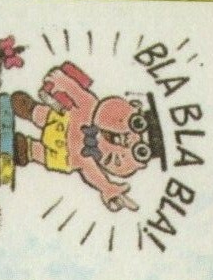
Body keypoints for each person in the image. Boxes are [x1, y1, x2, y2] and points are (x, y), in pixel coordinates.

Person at [12, 63, 166, 212]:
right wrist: (62, 81)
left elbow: (94, 173)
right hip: (61, 119)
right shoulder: (90, 107)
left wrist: (108, 188)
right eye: (137, 123)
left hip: (64, 155)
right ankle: (31, 110)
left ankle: (28, 149)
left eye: (141, 151)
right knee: (43, 114)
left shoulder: (89, 158)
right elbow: (77, 92)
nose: (128, 140)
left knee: (37, 152)